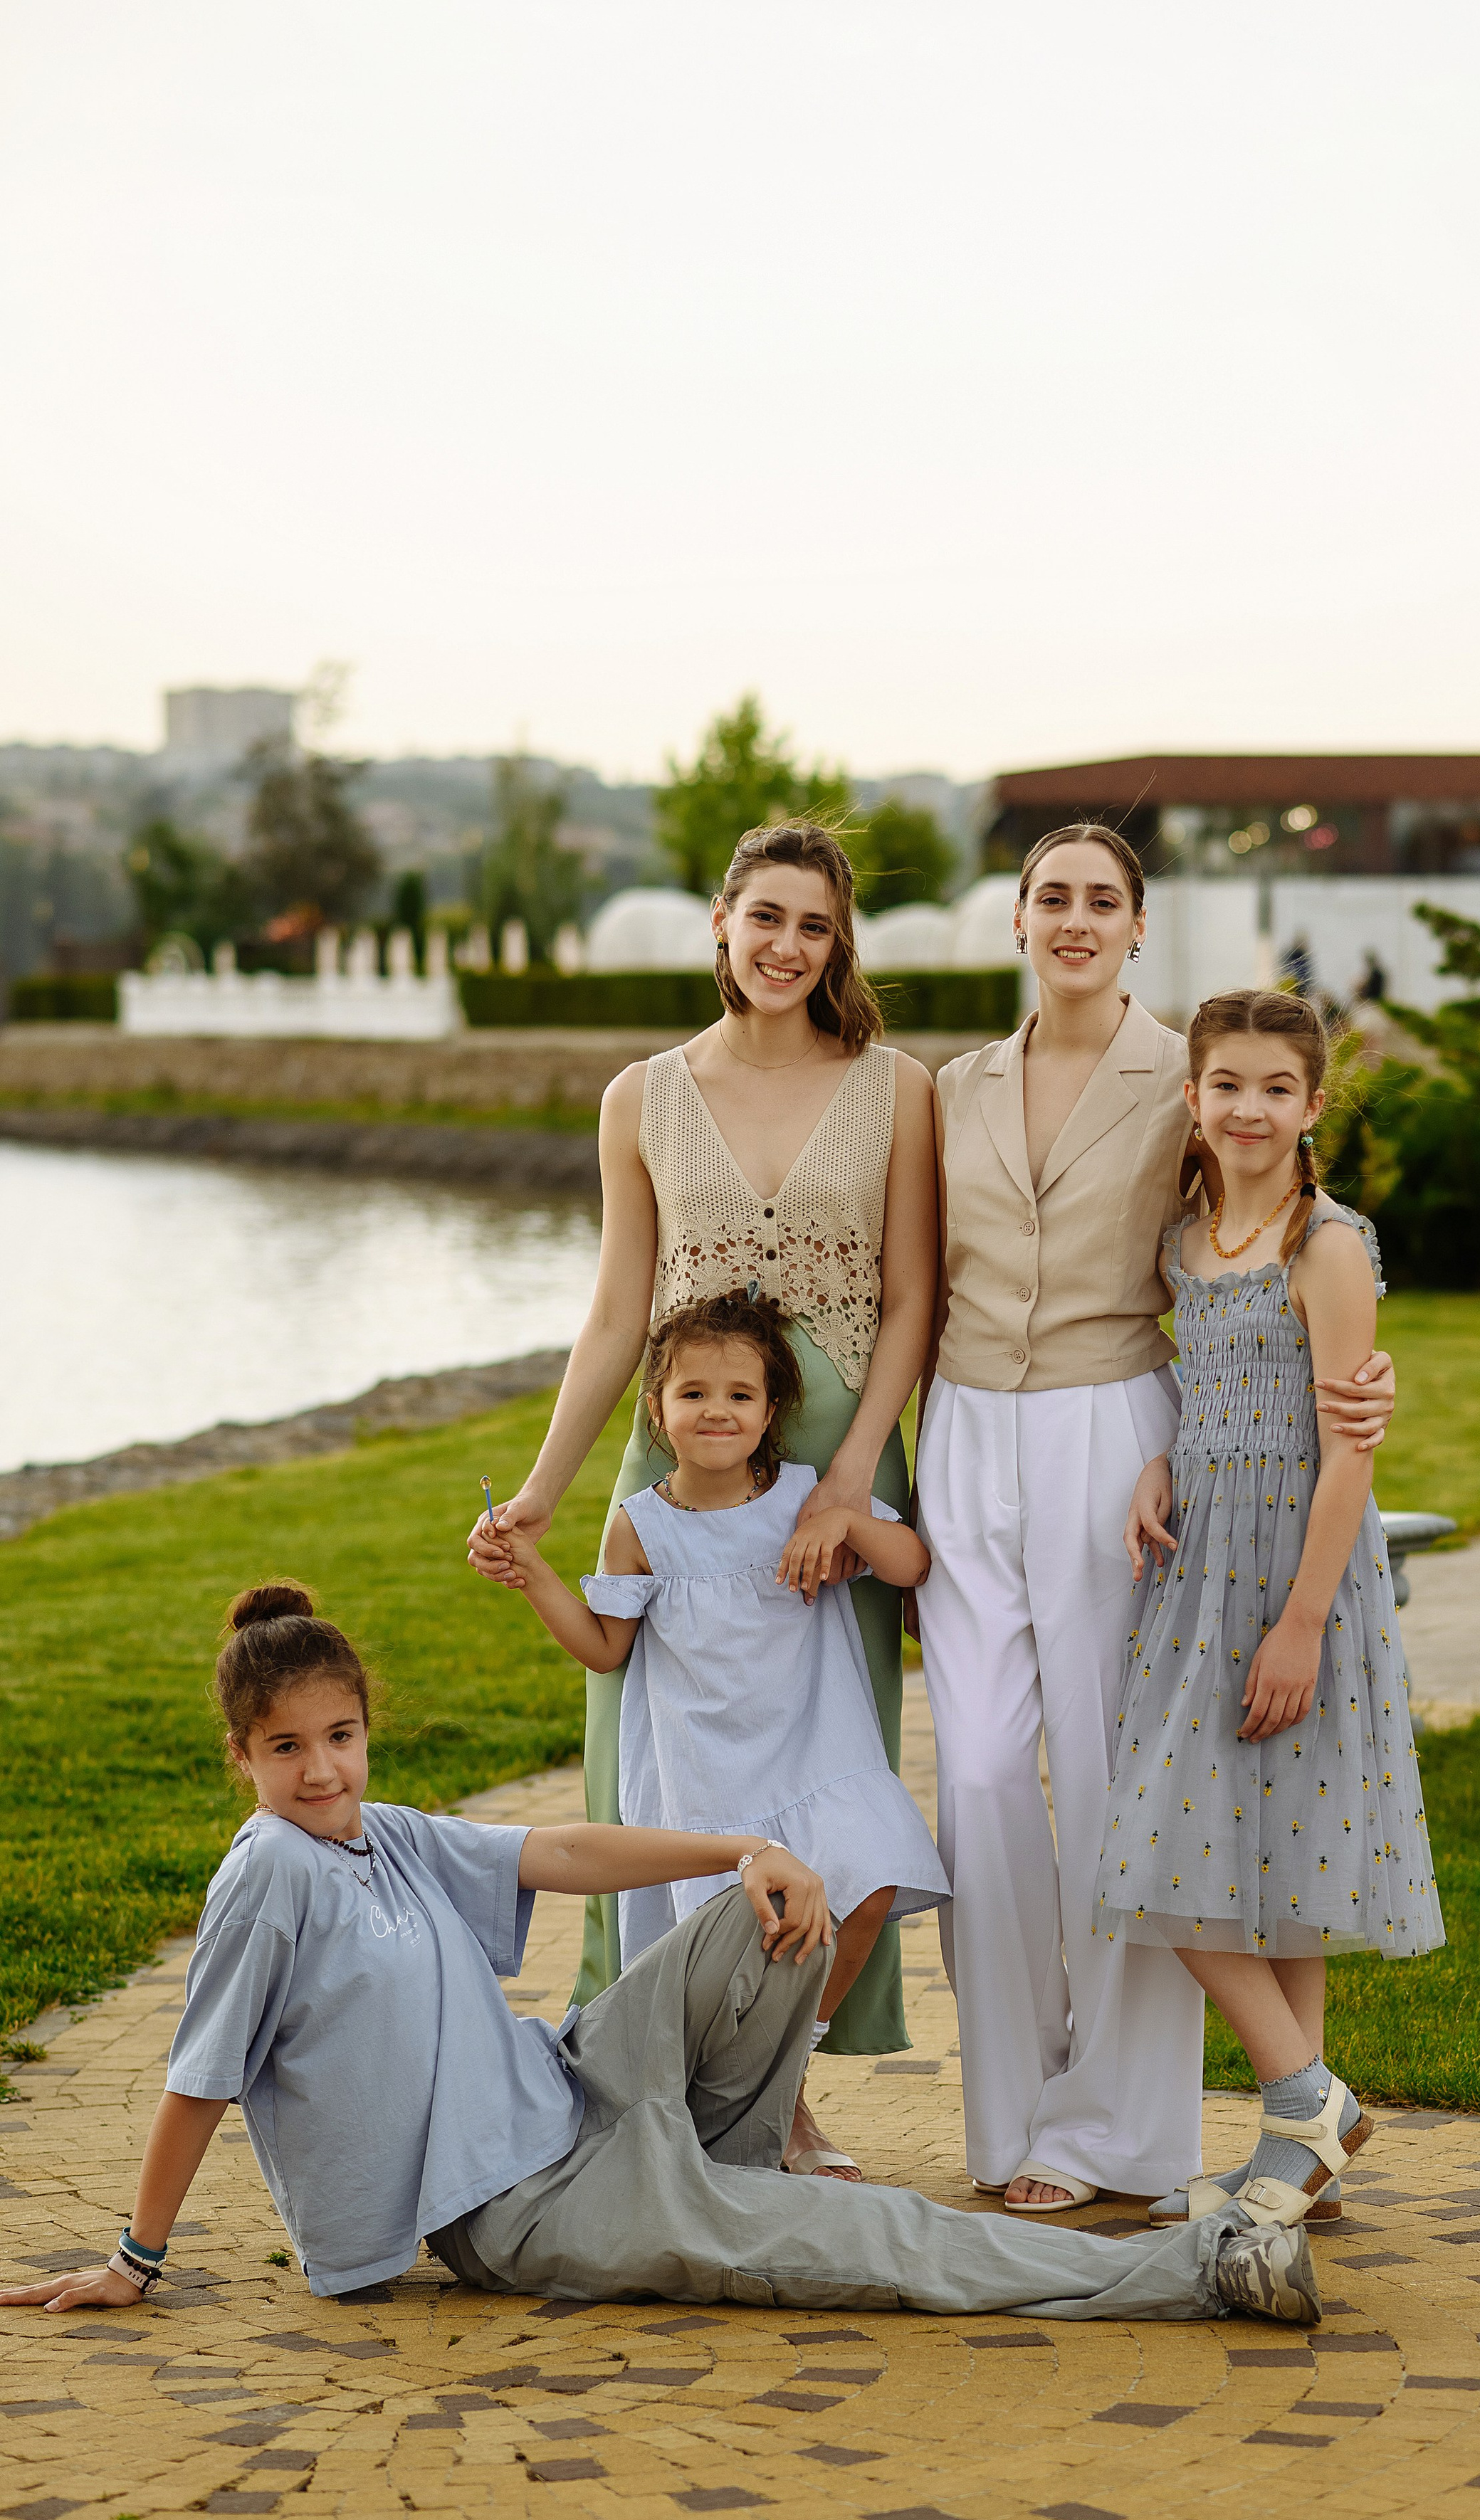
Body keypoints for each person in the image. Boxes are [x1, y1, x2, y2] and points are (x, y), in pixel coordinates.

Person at [1, 1583, 1323, 2330]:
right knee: (880, 2234)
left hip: (574, 2089)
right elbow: (200, 2075)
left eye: (338, 1736)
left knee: (767, 1910)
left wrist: (748, 1846)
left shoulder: (375, 1830)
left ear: (363, 1731)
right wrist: (136, 2256)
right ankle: (1200, 2270)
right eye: (285, 1748)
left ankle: (726, 2168)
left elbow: (565, 1852)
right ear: (240, 1756)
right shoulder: (268, 1875)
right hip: (514, 2207)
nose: (320, 1768)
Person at [915, 825, 1400, 2217]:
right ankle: (1008, 2121)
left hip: (1110, 1423)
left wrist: (1347, 1387)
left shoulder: (1181, 1073)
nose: (1074, 919)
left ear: (1137, 924)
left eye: (1101, 900)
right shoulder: (952, 1087)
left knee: (1108, 1777)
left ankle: (1110, 2138)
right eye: (1050, 897)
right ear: (1017, 920)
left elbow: (1267, 1231)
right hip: (962, 1432)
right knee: (988, 1786)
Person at [468, 820, 938, 2178]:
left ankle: (784, 2093)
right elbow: (620, 1306)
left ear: (839, 944)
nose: (788, 946)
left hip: (839, 1455)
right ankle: (636, 2069)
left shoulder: (897, 1087)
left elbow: (912, 1300)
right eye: (766, 918)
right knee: (647, 1767)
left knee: (825, 1775)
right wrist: (551, 1492)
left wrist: (847, 1487)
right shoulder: (642, 1096)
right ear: (719, 926)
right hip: (675, 1453)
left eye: (815, 926)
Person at [1093, 990, 1445, 2230]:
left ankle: (1302, 2101)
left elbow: (1348, 1452)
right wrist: (1161, 1465)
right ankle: (1310, 2135)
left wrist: (1301, 1622)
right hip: (1199, 1567)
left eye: (1275, 1089)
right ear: (1193, 1098)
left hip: (1297, 1574)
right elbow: (1207, 1396)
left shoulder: (1326, 1244)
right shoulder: (1187, 1234)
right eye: (1226, 1084)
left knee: (1200, 1856)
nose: (1249, 1108)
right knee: (1240, 1856)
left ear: (1311, 1104)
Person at [487, 1287, 949, 2155]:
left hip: (815, 1754)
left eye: (739, 1395)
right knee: (747, 1943)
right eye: (693, 1393)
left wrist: (850, 1518)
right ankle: (743, 2111)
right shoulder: (641, 1525)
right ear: (657, 1410)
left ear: (772, 1409)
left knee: (873, 1873)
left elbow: (913, 1562)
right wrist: (533, 1572)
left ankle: (787, 2076)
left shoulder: (807, 1502)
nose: (716, 1411)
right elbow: (603, 1648)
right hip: (707, 1777)